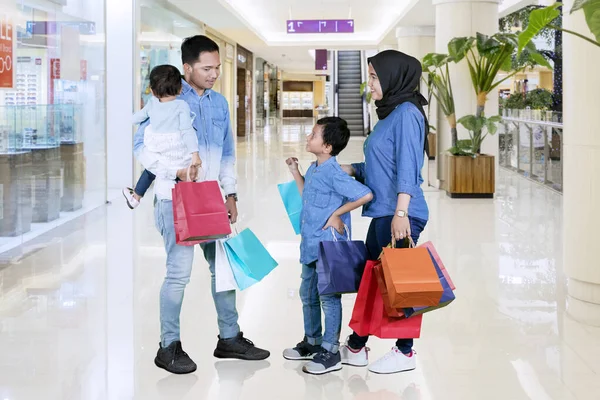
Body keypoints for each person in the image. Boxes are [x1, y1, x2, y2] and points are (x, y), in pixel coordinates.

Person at [133, 35, 269, 375]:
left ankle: (230, 337)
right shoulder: (165, 100)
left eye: (217, 68)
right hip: (174, 197)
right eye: (206, 68)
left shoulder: (219, 103)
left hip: (211, 197)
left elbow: (225, 153)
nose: (213, 74)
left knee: (222, 267)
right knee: (178, 275)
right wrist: (175, 171)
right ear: (187, 68)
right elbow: (140, 147)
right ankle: (169, 346)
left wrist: (231, 193)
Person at [337, 50, 430, 375]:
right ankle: (356, 345)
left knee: (396, 283)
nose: (370, 83)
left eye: (375, 76)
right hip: (386, 211)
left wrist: (401, 213)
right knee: (376, 280)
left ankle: (404, 352)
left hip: (400, 214)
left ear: (393, 77)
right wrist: (351, 169)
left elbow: (408, 166)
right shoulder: (389, 114)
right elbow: (382, 167)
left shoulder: (406, 113)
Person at [283, 117, 373, 375]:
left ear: (328, 147)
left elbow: (365, 195)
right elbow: (306, 193)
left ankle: (330, 350)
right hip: (310, 242)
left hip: (328, 246)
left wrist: (337, 215)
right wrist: (295, 172)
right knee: (307, 294)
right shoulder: (314, 168)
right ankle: (311, 341)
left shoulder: (334, 172)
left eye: (313, 135)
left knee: (328, 298)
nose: (308, 138)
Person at [123, 64, 202, 209]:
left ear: (152, 91)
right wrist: (195, 153)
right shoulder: (181, 105)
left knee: (151, 169)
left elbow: (135, 119)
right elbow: (187, 130)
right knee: (185, 170)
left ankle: (136, 197)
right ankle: (191, 202)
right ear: (180, 89)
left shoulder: (152, 103)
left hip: (158, 145)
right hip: (178, 147)